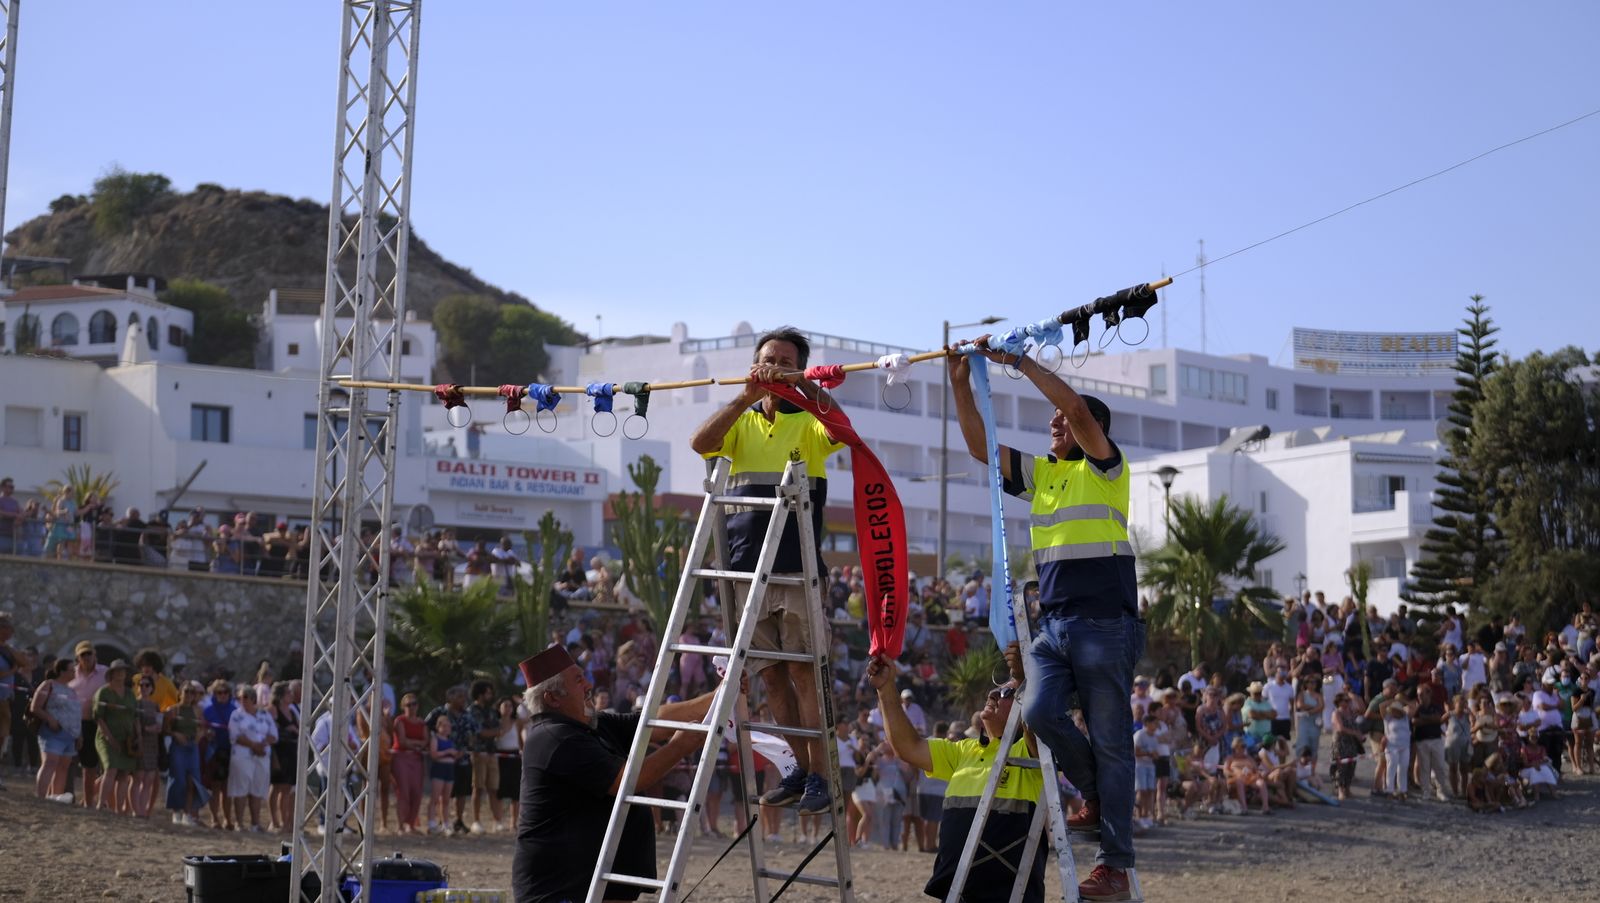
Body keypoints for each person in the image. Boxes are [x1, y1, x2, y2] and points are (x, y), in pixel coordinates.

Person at [947, 335, 1141, 902]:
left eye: (1065, 419)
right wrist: (960, 382)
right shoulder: (1043, 477)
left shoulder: (1106, 468)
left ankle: (1116, 866)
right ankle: (1098, 798)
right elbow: (983, 449)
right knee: (1039, 711)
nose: (1056, 421)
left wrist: (1021, 363)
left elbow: (1079, 409)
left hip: (1106, 622)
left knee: (1111, 743)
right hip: (1054, 626)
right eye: (1052, 418)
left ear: (1091, 433)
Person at [689, 327, 844, 815]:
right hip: (743, 572)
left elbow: (842, 431)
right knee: (772, 677)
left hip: (796, 570)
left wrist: (807, 386)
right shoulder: (742, 421)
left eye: (785, 360)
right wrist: (744, 398)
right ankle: (800, 770)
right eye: (768, 359)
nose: (774, 366)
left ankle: (820, 774)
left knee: (803, 675)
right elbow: (701, 443)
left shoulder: (810, 420)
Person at [512, 645, 718, 903]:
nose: (588, 684)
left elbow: (652, 721)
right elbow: (626, 781)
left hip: (595, 884)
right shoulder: (554, 737)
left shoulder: (590, 724)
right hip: (562, 888)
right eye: (578, 680)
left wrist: (718, 696)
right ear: (553, 698)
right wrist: (681, 746)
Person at [866, 654, 1044, 902]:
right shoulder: (964, 750)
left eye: (1006, 694)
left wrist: (1027, 680)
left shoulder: (1031, 751)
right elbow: (908, 747)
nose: (992, 696)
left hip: (1011, 893)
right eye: (993, 691)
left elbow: (1041, 721)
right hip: (956, 890)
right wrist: (886, 689)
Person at [29, 657, 82, 799]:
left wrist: (79, 734)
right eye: (71, 670)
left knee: (63, 767)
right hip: (52, 732)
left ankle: (56, 797)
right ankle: (41, 796)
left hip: (70, 735)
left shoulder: (72, 691)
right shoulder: (49, 685)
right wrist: (50, 719)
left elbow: (76, 714)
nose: (74, 673)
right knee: (50, 762)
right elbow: (35, 707)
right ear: (62, 671)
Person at [228, 685, 278, 832]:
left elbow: (274, 735)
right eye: (240, 698)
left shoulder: (264, 715)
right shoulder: (236, 715)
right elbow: (235, 736)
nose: (242, 700)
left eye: (245, 697)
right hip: (243, 756)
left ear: (253, 699)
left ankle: (255, 824)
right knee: (241, 788)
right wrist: (254, 746)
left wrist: (262, 744)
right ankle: (239, 823)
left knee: (257, 788)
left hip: (262, 756)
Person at [93, 658, 139, 814]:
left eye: (123, 671)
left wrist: (137, 736)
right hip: (107, 736)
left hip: (127, 738)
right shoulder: (104, 692)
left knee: (124, 773)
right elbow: (99, 717)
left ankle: (119, 809)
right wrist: (109, 738)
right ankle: (101, 804)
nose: (121, 673)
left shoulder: (130, 694)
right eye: (118, 671)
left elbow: (135, 717)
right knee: (111, 768)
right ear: (111, 674)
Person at [164, 680, 210, 825]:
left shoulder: (197, 710)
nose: (190, 695)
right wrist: (176, 734)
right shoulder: (173, 710)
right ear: (180, 693)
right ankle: (176, 811)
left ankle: (187, 813)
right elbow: (165, 729)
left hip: (192, 746)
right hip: (178, 746)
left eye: (193, 692)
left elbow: (203, 727)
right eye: (187, 691)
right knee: (178, 779)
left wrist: (200, 734)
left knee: (192, 780)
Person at [391, 693, 429, 834]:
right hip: (401, 758)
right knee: (403, 792)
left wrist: (413, 743)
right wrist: (416, 743)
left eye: (414, 704)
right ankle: (401, 825)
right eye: (408, 705)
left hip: (417, 759)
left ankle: (411, 824)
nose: (412, 707)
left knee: (416, 792)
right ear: (403, 707)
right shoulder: (400, 721)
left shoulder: (421, 723)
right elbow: (402, 740)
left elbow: (425, 740)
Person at [428, 712, 461, 835]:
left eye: (449, 726)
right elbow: (434, 754)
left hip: (449, 769)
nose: (447, 728)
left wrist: (456, 754)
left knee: (446, 799)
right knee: (435, 798)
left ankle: (445, 823)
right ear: (439, 726)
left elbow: (455, 755)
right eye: (444, 726)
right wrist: (448, 752)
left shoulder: (450, 740)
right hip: (439, 768)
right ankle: (431, 823)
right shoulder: (435, 738)